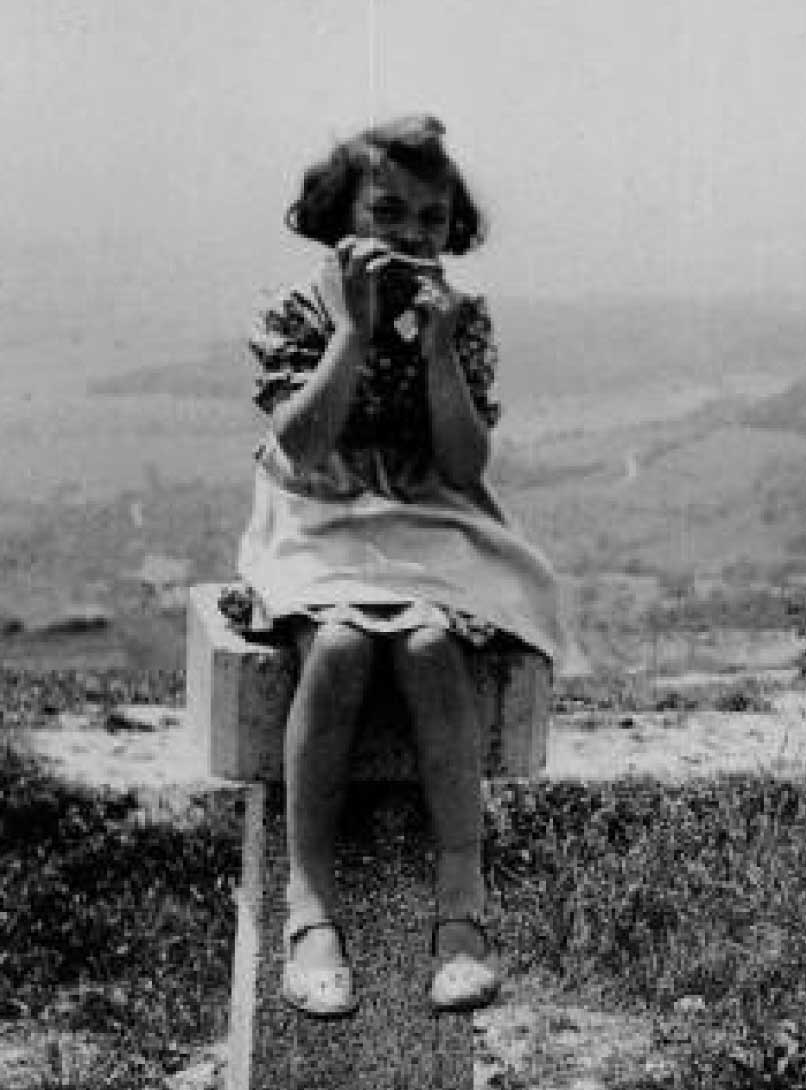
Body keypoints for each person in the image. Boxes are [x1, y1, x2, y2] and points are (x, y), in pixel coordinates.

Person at [233, 114, 561, 1018]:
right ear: (342, 214)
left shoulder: (461, 319)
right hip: (319, 513)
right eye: (388, 212)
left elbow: (462, 465)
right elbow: (300, 447)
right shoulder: (297, 312)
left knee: (427, 645)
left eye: (430, 217)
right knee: (339, 646)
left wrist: (441, 350)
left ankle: (462, 911)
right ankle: (311, 908)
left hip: (425, 515)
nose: (411, 234)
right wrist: (353, 331)